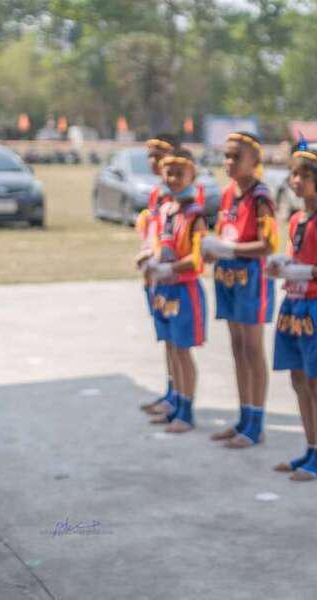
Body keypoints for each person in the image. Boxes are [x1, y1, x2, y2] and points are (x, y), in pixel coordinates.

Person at [202, 132, 278, 448]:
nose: (229, 162)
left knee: (252, 348)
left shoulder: (261, 197)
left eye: (236, 156)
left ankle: (256, 423)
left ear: (254, 160)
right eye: (226, 155)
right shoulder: (228, 194)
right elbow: (226, 233)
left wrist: (228, 250)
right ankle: (244, 416)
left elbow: (268, 244)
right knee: (237, 348)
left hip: (252, 279)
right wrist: (213, 249)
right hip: (228, 278)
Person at [270, 147, 317, 480]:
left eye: (305, 175)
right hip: (292, 304)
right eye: (294, 174)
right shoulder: (297, 218)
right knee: (298, 379)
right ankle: (310, 448)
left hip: (314, 305)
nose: (296, 181)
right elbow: (295, 254)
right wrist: (282, 264)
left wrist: (300, 271)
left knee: (316, 382)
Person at [143, 148, 209, 434]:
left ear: (192, 176)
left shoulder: (195, 214)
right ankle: (176, 405)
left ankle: (186, 411)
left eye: (180, 174)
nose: (173, 179)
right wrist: (150, 260)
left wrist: (168, 269)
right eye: (169, 173)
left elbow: (197, 258)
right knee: (171, 348)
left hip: (184, 290)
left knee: (183, 351)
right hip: (165, 290)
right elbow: (159, 243)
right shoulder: (166, 209)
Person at [136, 133, 181, 415]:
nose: (153, 161)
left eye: (159, 155)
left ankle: (179, 395)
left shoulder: (178, 193)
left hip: (169, 272)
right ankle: (170, 389)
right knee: (165, 337)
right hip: (153, 271)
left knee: (176, 340)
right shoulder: (156, 193)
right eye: (150, 156)